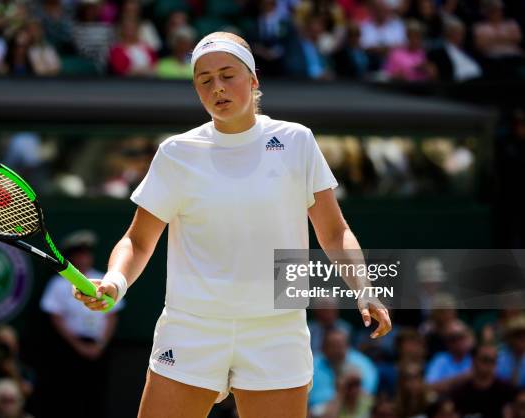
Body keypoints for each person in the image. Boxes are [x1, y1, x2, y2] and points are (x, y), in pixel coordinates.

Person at [74, 31, 392, 418]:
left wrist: (363, 286)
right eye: (204, 80)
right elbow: (137, 241)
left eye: (228, 75)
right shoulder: (177, 153)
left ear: (254, 79)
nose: (217, 88)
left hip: (276, 330)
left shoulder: (296, 141)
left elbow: (333, 230)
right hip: (192, 327)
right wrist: (114, 280)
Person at [40, 229, 123, 418]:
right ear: (72, 256)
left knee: (96, 398)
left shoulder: (104, 280)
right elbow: (56, 317)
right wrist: (78, 346)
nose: (84, 258)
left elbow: (112, 316)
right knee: (68, 398)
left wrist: (100, 345)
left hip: (98, 350)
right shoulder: (58, 284)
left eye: (87, 253)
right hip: (68, 351)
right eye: (79, 254)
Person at [450, 344, 516, 418]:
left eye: (493, 361)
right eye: (485, 360)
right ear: (473, 361)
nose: (489, 364)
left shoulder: (506, 391)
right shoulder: (459, 393)